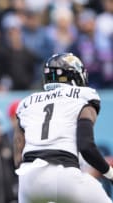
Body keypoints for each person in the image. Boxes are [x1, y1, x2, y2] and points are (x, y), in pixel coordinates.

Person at [14, 53, 113, 203]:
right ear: (75, 75)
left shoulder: (26, 103)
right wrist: (110, 173)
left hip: (28, 181)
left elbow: (17, 156)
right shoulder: (84, 96)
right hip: (64, 173)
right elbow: (86, 146)